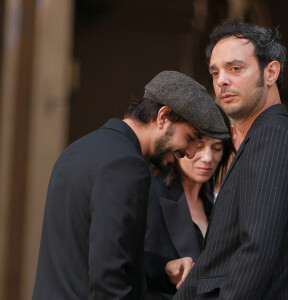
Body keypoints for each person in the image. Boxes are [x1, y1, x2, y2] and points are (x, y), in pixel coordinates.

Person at [32, 70, 230, 300]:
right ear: (163, 117)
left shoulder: (76, 150)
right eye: (190, 137)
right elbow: (109, 276)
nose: (190, 152)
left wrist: (162, 269)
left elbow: (87, 255)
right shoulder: (127, 165)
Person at [174, 20, 288, 300]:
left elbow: (256, 250)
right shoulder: (262, 138)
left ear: (271, 73)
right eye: (215, 72)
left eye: (235, 69)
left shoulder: (273, 137)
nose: (221, 80)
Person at [144, 106, 235, 300]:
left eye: (217, 148)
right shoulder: (150, 191)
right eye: (199, 146)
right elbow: (124, 259)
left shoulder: (217, 206)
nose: (208, 158)